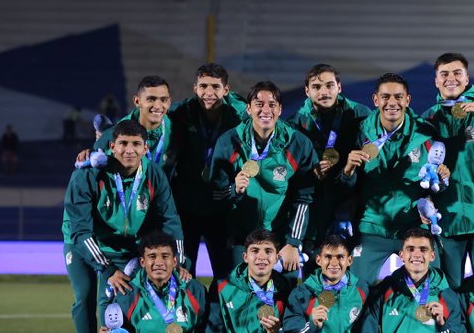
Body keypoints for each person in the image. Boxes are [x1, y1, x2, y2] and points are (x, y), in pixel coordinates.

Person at [63, 119, 187, 333]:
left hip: (123, 246)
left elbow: (171, 220)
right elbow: (82, 229)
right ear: (111, 147)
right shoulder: (88, 174)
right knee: (84, 297)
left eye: (135, 144)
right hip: (82, 241)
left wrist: (180, 260)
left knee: (116, 301)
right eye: (123, 144)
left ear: (145, 148)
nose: (129, 150)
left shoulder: (154, 175)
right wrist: (106, 268)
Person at [211, 80, 317, 278]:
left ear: (280, 110)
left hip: (279, 236)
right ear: (248, 109)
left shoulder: (297, 144)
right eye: (259, 104)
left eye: (272, 104)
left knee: (285, 297)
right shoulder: (229, 141)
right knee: (236, 295)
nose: (265, 110)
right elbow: (215, 195)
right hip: (240, 237)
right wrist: (234, 190)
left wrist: (293, 242)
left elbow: (303, 199)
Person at [421, 53, 474, 288]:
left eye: (457, 73)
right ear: (436, 81)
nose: (451, 79)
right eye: (444, 74)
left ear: (467, 79)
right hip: (448, 218)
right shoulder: (429, 118)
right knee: (451, 288)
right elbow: (421, 169)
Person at [343, 73, 436, 285]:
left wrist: (434, 194)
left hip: (414, 230)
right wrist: (347, 171)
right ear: (375, 100)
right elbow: (344, 188)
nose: (392, 103)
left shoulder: (426, 134)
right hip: (372, 228)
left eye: (398, 97)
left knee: (432, 290)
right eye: (385, 97)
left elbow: (433, 185)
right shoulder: (358, 133)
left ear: (407, 100)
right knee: (355, 291)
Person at [168, 63, 248, 278]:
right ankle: (187, 312)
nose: (209, 92)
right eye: (203, 86)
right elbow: (142, 121)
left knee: (225, 275)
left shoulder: (239, 113)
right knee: (184, 271)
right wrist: (101, 144)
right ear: (195, 88)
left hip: (222, 208)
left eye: (215, 86)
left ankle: (218, 312)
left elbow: (271, 123)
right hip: (186, 207)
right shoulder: (181, 112)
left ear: (226, 90)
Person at [288, 64, 370, 261]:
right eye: (316, 87)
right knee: (314, 269)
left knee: (350, 273)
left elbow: (371, 165)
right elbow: (290, 173)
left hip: (352, 207)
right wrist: (309, 173)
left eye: (329, 85)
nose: (324, 92)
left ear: (339, 87)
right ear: (307, 91)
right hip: (315, 208)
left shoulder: (360, 114)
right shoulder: (296, 123)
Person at [94, 76, 175, 177]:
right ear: (137, 101)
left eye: (163, 100)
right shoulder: (118, 133)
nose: (158, 106)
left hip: (164, 190)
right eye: (151, 99)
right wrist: (90, 153)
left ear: (169, 102)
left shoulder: (176, 127)